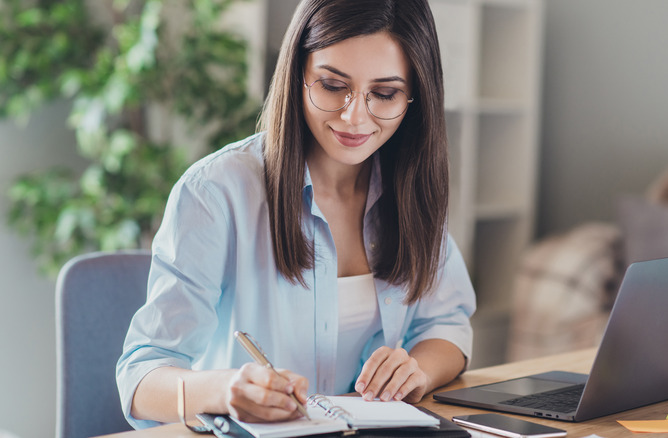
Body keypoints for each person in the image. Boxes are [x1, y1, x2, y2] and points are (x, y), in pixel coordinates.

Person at [116, 0, 476, 429]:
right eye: (331, 85)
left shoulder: (410, 187)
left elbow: (448, 325)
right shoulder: (216, 192)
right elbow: (139, 379)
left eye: (384, 93)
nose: (355, 116)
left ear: (415, 96)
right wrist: (226, 391)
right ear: (297, 75)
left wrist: (417, 368)